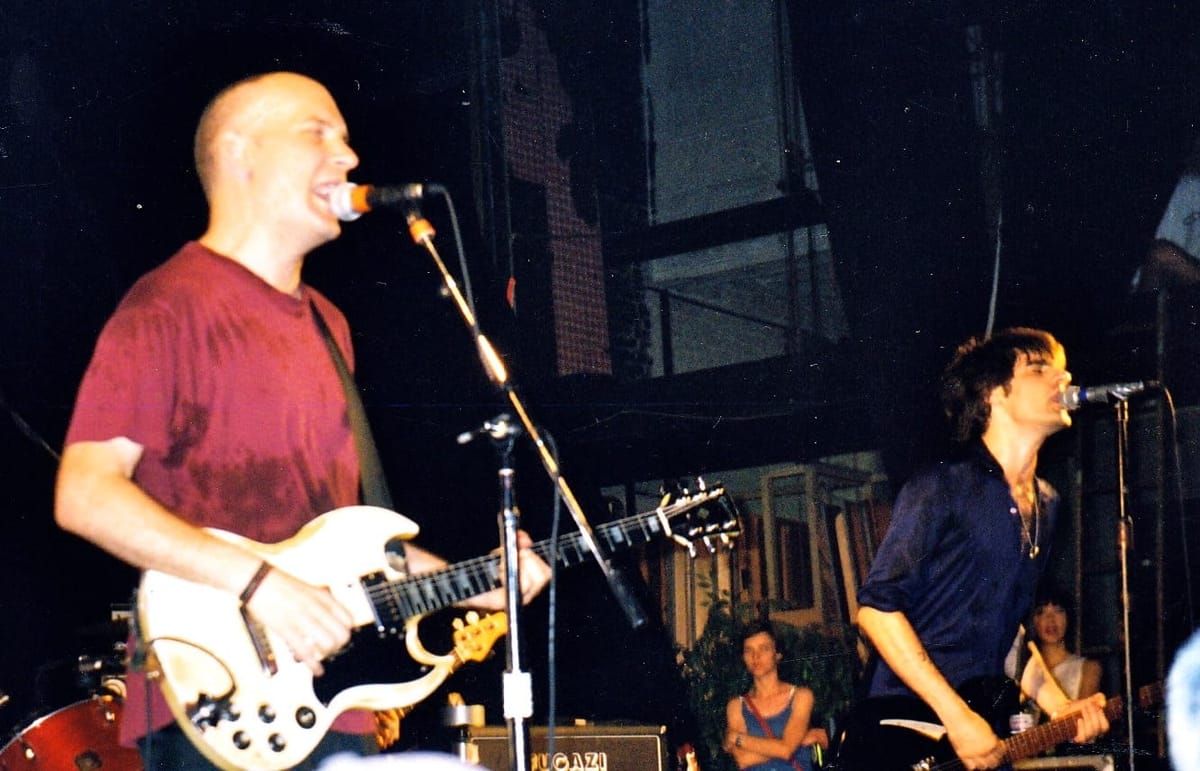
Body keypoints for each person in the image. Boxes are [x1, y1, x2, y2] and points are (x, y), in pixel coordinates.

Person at [53, 71, 551, 767]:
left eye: (344, 140)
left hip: (327, 705)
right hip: (216, 703)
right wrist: (259, 583)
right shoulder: (168, 305)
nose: (348, 157)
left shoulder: (328, 325)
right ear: (240, 152)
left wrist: (475, 579)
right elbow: (84, 493)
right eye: (318, 134)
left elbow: (343, 538)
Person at [848, 327, 1109, 771]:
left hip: (974, 727)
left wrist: (1060, 706)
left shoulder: (1047, 504)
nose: (1062, 379)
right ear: (994, 394)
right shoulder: (942, 485)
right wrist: (956, 717)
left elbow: (1007, 634)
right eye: (1039, 368)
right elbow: (876, 612)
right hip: (904, 729)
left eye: (1063, 370)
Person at [723, 621, 829, 771]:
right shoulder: (736, 706)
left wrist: (737, 738)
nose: (755, 656)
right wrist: (800, 741)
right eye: (748, 650)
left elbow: (786, 750)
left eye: (764, 648)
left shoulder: (800, 696)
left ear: (777, 654)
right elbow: (743, 759)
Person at [1020, 590, 1102, 705]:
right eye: (1041, 612)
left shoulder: (1089, 668)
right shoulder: (1023, 669)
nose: (1050, 619)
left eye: (1058, 611)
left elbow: (1081, 713)